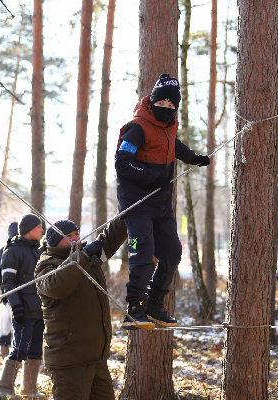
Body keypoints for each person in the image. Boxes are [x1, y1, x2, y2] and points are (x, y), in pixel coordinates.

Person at [115, 73, 211, 330]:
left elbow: (174, 148)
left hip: (161, 205)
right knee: (143, 255)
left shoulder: (169, 129)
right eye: (162, 104)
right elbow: (122, 163)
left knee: (172, 254)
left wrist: (195, 158)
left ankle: (156, 304)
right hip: (137, 204)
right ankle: (134, 309)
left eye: (172, 106)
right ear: (152, 102)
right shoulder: (137, 128)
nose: (166, 109)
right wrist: (151, 176)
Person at [35, 218, 127, 399]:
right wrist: (82, 257)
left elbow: (112, 237)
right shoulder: (47, 265)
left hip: (96, 359)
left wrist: (127, 209)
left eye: (76, 233)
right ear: (54, 242)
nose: (76, 238)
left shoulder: (89, 258)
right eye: (68, 236)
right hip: (69, 363)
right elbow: (57, 286)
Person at [0, 214, 45, 399]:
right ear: (30, 230)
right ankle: (4, 389)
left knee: (35, 350)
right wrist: (16, 306)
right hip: (23, 310)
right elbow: (7, 282)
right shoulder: (13, 250)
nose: (42, 230)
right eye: (39, 227)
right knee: (19, 349)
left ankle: (29, 389)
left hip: (39, 309)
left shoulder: (38, 251)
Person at [0, 222, 18, 358]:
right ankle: (5, 355)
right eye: (14, 234)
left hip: (26, 297)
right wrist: (8, 288)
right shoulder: (3, 251)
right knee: (5, 327)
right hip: (8, 296)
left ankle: (21, 356)